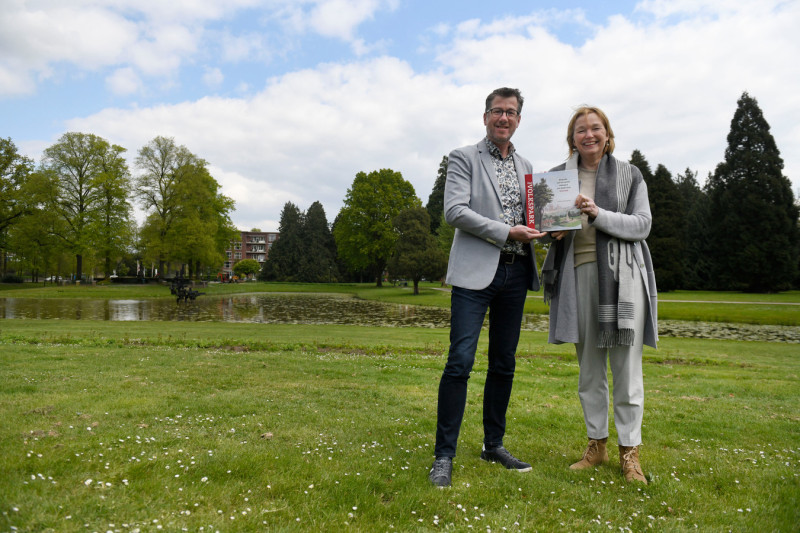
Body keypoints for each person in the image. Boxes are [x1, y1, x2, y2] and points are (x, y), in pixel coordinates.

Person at [429, 87, 546, 487]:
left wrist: (553, 228)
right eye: (497, 111)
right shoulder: (463, 157)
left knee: (503, 364)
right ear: (485, 117)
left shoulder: (528, 166)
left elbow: (535, 217)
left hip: (515, 273)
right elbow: (454, 211)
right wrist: (505, 231)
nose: (504, 118)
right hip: (476, 274)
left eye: (511, 112)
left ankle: (493, 445)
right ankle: (443, 455)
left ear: (518, 120)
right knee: (459, 362)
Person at [542, 106, 658, 484]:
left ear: (607, 134)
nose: (588, 135)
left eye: (595, 128)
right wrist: (552, 232)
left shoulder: (630, 174)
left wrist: (598, 213)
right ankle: (597, 444)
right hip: (577, 277)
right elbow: (546, 227)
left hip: (622, 278)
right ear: (572, 138)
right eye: (580, 130)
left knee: (627, 369)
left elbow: (642, 225)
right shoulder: (559, 178)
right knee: (589, 370)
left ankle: (630, 452)